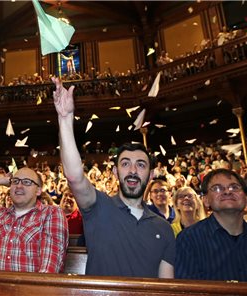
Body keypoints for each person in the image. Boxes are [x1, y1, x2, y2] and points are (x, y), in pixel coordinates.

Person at [52, 77, 174, 278]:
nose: (133, 170)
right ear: (116, 172)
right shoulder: (98, 207)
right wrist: (65, 119)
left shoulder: (164, 227)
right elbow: (74, 177)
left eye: (141, 165)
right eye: (125, 164)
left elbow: (166, 287)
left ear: (151, 175)